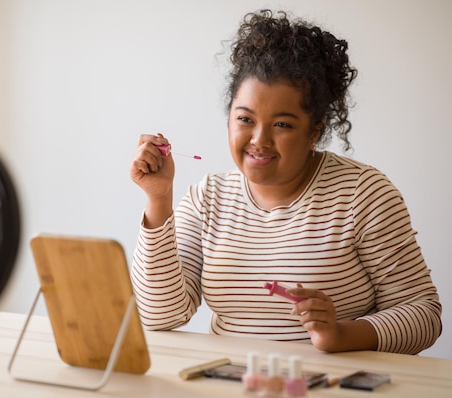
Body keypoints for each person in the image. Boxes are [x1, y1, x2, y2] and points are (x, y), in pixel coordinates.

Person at [129, 9, 441, 354]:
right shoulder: (207, 198)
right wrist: (159, 201)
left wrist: (342, 335)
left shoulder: (363, 194)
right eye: (245, 118)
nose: (259, 140)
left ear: (314, 133)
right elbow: (159, 315)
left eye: (282, 125)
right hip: (230, 393)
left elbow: (423, 313)